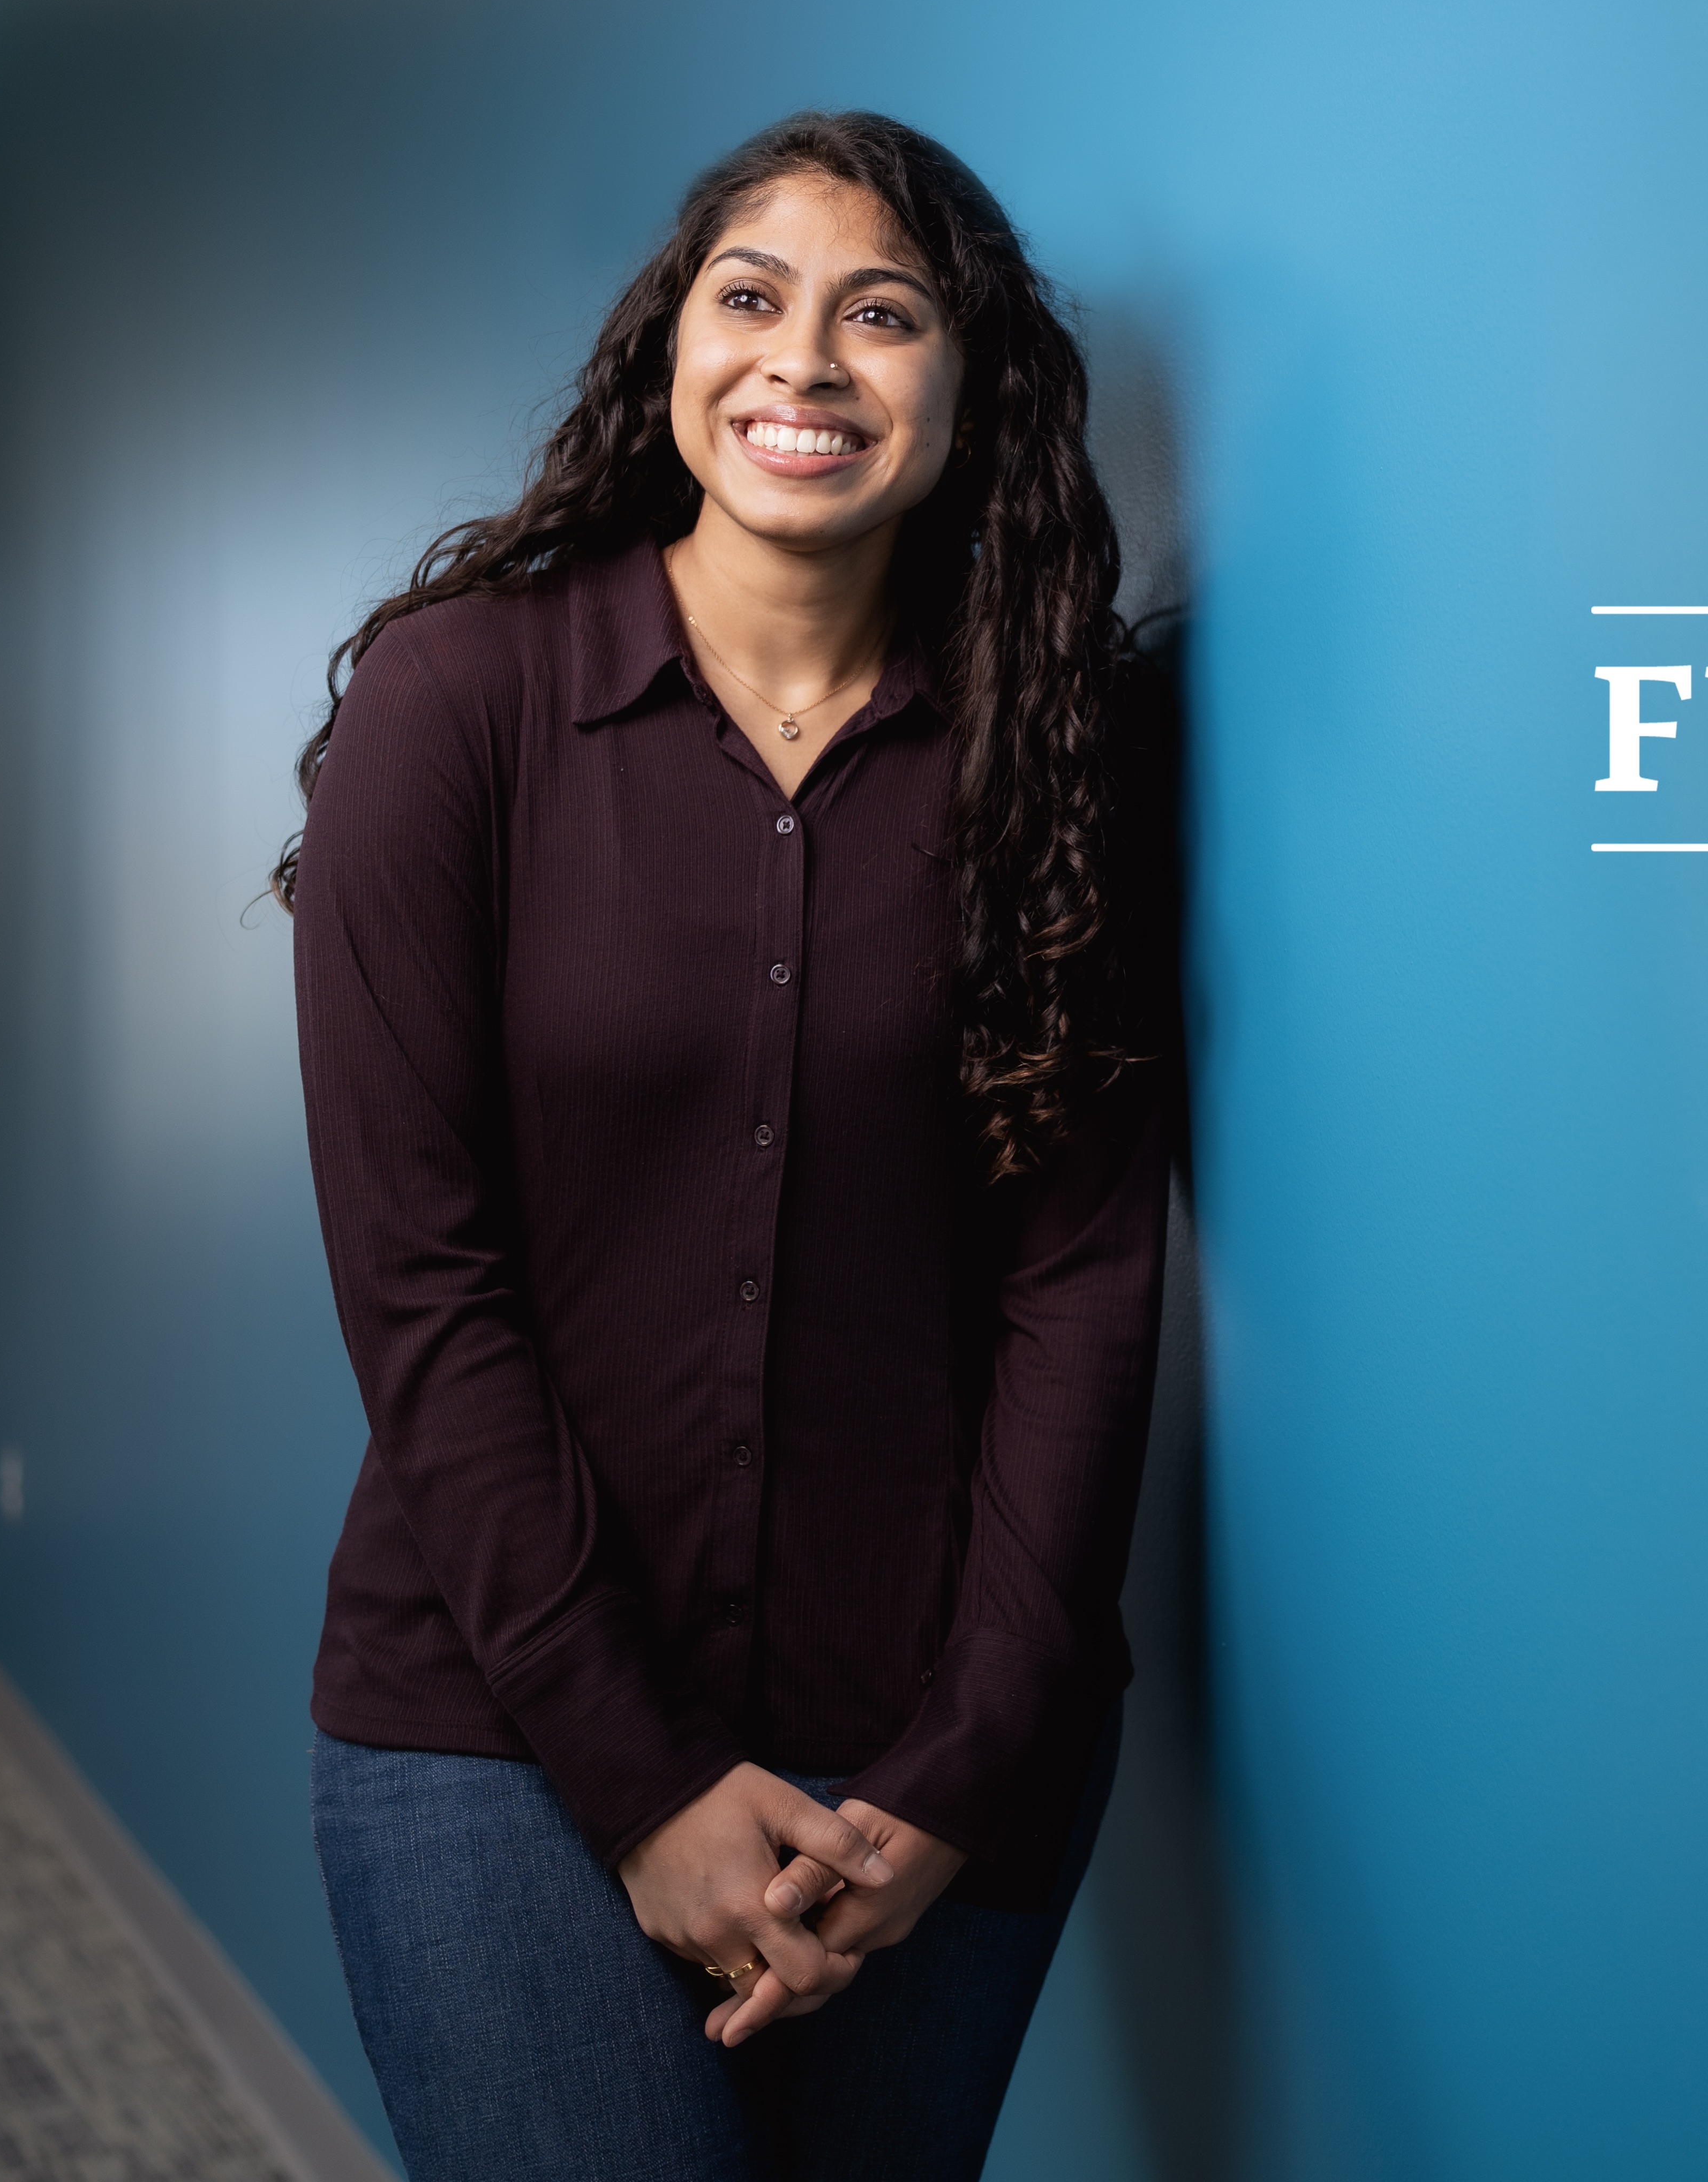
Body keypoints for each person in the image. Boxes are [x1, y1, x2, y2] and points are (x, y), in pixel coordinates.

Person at [279, 111, 1174, 2181]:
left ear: (972, 388)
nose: (806, 363)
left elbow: (1084, 1284)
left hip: (933, 1770)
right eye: (751, 299)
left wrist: (957, 1777)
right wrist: (644, 1783)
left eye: (884, 315)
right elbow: (424, 1290)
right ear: (666, 351)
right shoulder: (458, 710)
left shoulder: (1060, 754)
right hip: (495, 1736)